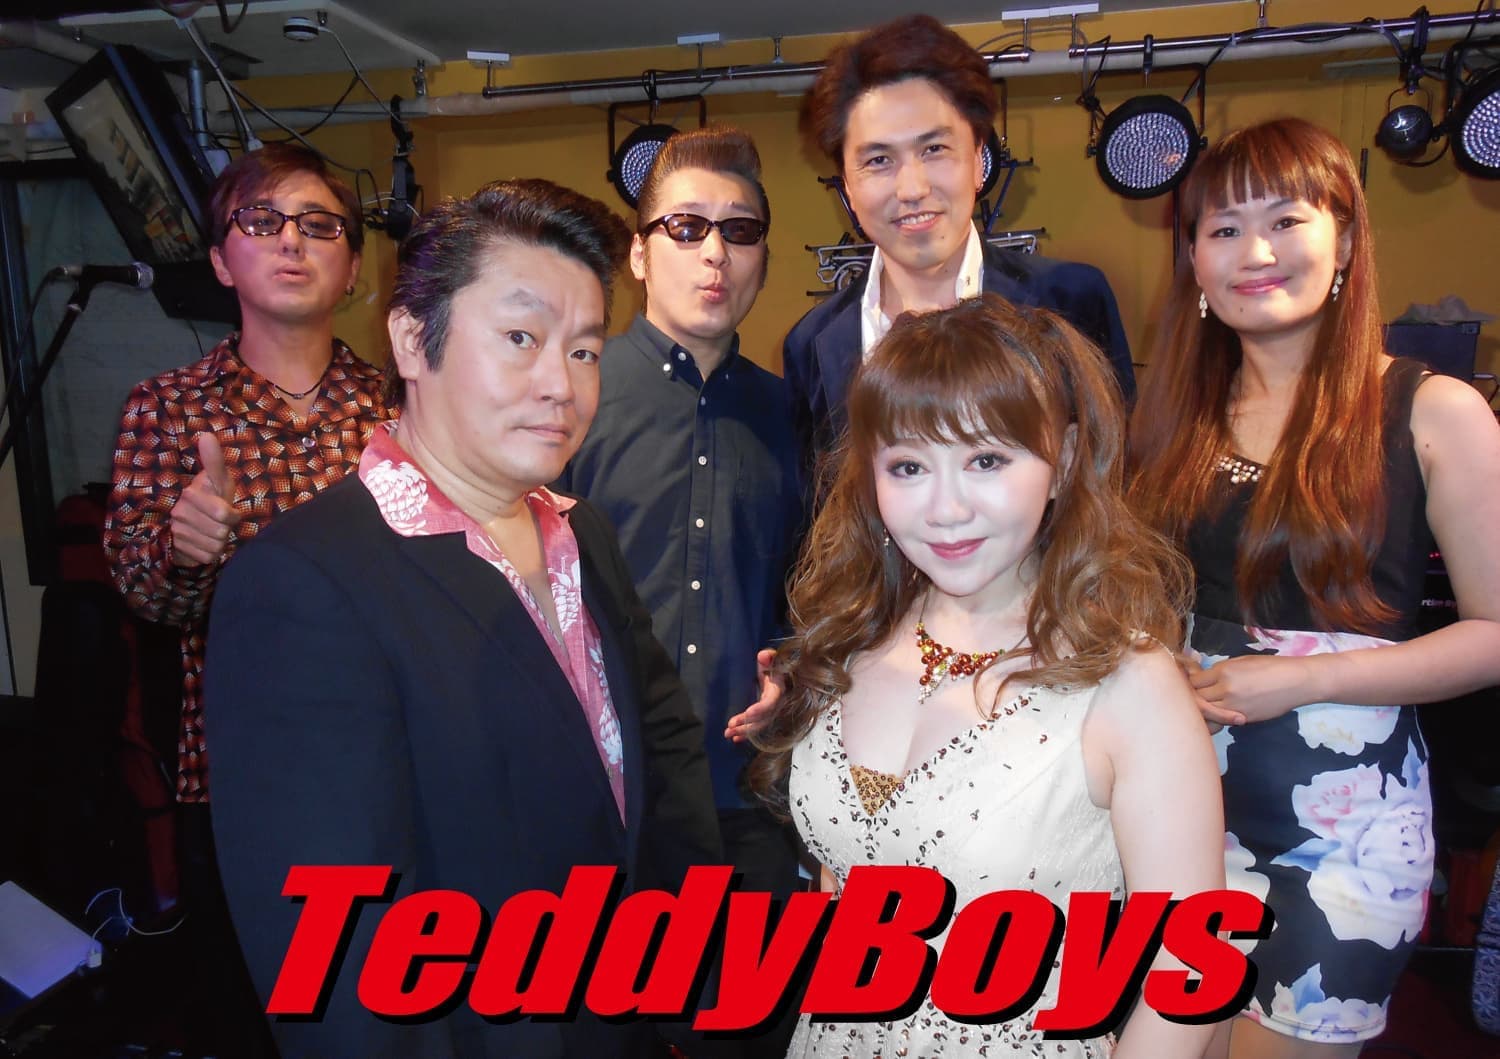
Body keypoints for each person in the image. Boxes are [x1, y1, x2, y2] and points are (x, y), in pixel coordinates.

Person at [205, 178, 723, 1057]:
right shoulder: (304, 583)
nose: (561, 384)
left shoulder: (581, 534)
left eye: (585, 349)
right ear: (414, 340)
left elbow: (662, 764)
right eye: (521, 337)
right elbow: (337, 953)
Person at [753, 293, 1225, 1057]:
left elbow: (1190, 969)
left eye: (986, 460)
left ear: (1063, 460)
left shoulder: (1128, 684)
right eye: (909, 466)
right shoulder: (848, 641)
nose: (945, 508)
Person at [1128, 117, 1500, 1058]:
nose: (1254, 252)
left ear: (1345, 239)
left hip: (1344, 833)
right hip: (1171, 801)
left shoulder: (1433, 410)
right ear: (1194, 263)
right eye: (1222, 229)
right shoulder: (1170, 417)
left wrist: (1305, 677)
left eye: (1285, 220)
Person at [102, 142, 390, 1055]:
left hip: (387, 763)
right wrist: (185, 554)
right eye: (262, 222)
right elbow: (146, 594)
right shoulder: (167, 408)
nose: (291, 241)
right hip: (235, 777)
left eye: (320, 225)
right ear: (222, 261)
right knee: (251, 1017)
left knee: (382, 1011)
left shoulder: (402, 413)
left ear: (352, 267)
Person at [560, 127, 803, 923]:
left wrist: (797, 667)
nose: (715, 254)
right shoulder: (569, 397)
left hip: (749, 797)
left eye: (740, 231)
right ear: (639, 254)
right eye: (687, 228)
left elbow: (811, 588)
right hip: (603, 794)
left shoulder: (792, 414)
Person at [781, 14, 1134, 484]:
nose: (912, 189)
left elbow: (1114, 479)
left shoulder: (1071, 301)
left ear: (976, 157)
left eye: (934, 150)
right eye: (879, 160)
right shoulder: (813, 343)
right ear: (846, 184)